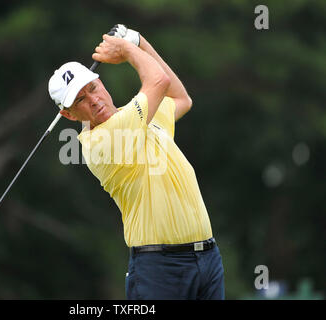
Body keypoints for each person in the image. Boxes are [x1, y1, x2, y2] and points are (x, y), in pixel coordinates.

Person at [48, 25, 225, 300]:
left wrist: (139, 41)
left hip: (208, 258)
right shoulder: (100, 141)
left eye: (93, 88)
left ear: (101, 82)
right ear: (69, 115)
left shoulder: (140, 115)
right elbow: (158, 82)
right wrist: (128, 49)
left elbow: (180, 98)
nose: (94, 101)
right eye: (80, 100)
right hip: (160, 269)